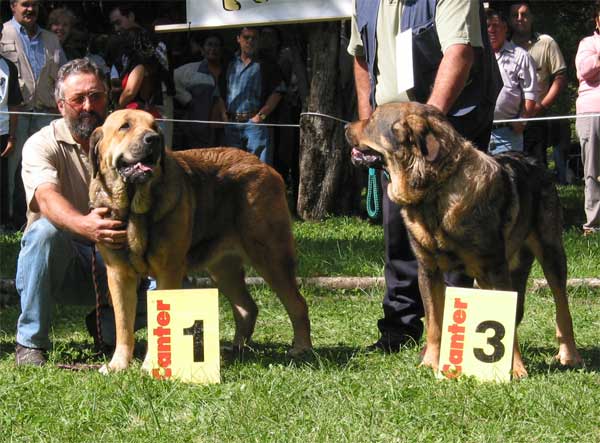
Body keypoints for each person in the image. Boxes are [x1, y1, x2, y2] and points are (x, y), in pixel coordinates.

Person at [348, 0, 501, 351]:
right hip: (395, 135)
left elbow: (459, 55)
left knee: (460, 229)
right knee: (399, 234)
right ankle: (399, 328)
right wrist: (369, 125)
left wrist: (426, 127)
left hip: (450, 123)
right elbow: (359, 58)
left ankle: (459, 335)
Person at [14, 58, 146, 366]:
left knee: (164, 254)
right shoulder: (40, 144)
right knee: (44, 232)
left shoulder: (130, 139)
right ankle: (30, 343)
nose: (88, 106)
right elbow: (45, 198)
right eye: (78, 99)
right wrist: (84, 225)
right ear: (61, 105)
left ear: (107, 99)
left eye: (96, 96)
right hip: (63, 266)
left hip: (118, 258)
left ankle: (112, 330)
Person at [0, 0, 66, 230]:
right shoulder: (3, 33)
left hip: (45, 114)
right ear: (12, 6)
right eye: (25, 4)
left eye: (35, 5)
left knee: (45, 166)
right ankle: (9, 218)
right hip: (15, 114)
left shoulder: (51, 39)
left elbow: (63, 77)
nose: (31, 9)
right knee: (11, 169)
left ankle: (38, 217)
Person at [509, 1, 571, 182]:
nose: (520, 18)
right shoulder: (502, 46)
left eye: (524, 14)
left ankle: (545, 208)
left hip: (536, 118)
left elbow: (560, 77)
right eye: (515, 15)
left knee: (537, 170)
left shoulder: (546, 43)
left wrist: (541, 107)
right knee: (512, 171)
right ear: (509, 20)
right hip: (508, 120)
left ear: (532, 17)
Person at [223, 26, 285, 165]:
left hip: (255, 123)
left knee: (258, 168)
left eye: (254, 38)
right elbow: (220, 90)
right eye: (246, 37)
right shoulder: (229, 62)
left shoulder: (267, 63)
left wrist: (260, 116)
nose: (250, 41)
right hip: (232, 122)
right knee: (233, 168)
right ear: (238, 39)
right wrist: (224, 115)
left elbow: (278, 91)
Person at [487, 8, 538, 155]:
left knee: (510, 177)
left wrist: (522, 122)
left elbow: (531, 93)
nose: (491, 30)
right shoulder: (476, 56)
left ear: (505, 28)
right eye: (487, 26)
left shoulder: (520, 56)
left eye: (495, 26)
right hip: (480, 131)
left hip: (508, 134)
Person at [173, 34, 227, 149]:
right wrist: (186, 99)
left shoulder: (229, 71)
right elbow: (170, 80)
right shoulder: (191, 70)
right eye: (209, 45)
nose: (213, 48)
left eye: (217, 45)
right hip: (197, 131)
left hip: (224, 130)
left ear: (222, 50)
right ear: (202, 49)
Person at [574, 1, 600, 236]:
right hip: (592, 112)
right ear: (597, 20)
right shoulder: (588, 43)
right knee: (592, 169)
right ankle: (593, 225)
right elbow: (585, 70)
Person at [0, 22, 23, 230]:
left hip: (3, 132)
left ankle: (3, 221)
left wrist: (12, 137)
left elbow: (14, 103)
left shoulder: (9, 67)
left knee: (2, 181)